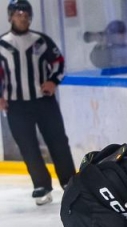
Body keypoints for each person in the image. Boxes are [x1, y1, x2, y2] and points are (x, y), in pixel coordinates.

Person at [0, 0, 75, 205]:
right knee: (28, 146)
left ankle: (70, 183)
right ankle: (41, 185)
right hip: (16, 105)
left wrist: (52, 81)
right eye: (18, 14)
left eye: (26, 14)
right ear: (10, 17)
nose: (22, 18)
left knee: (58, 141)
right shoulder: (2, 45)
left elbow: (60, 64)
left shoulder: (41, 41)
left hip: (44, 102)